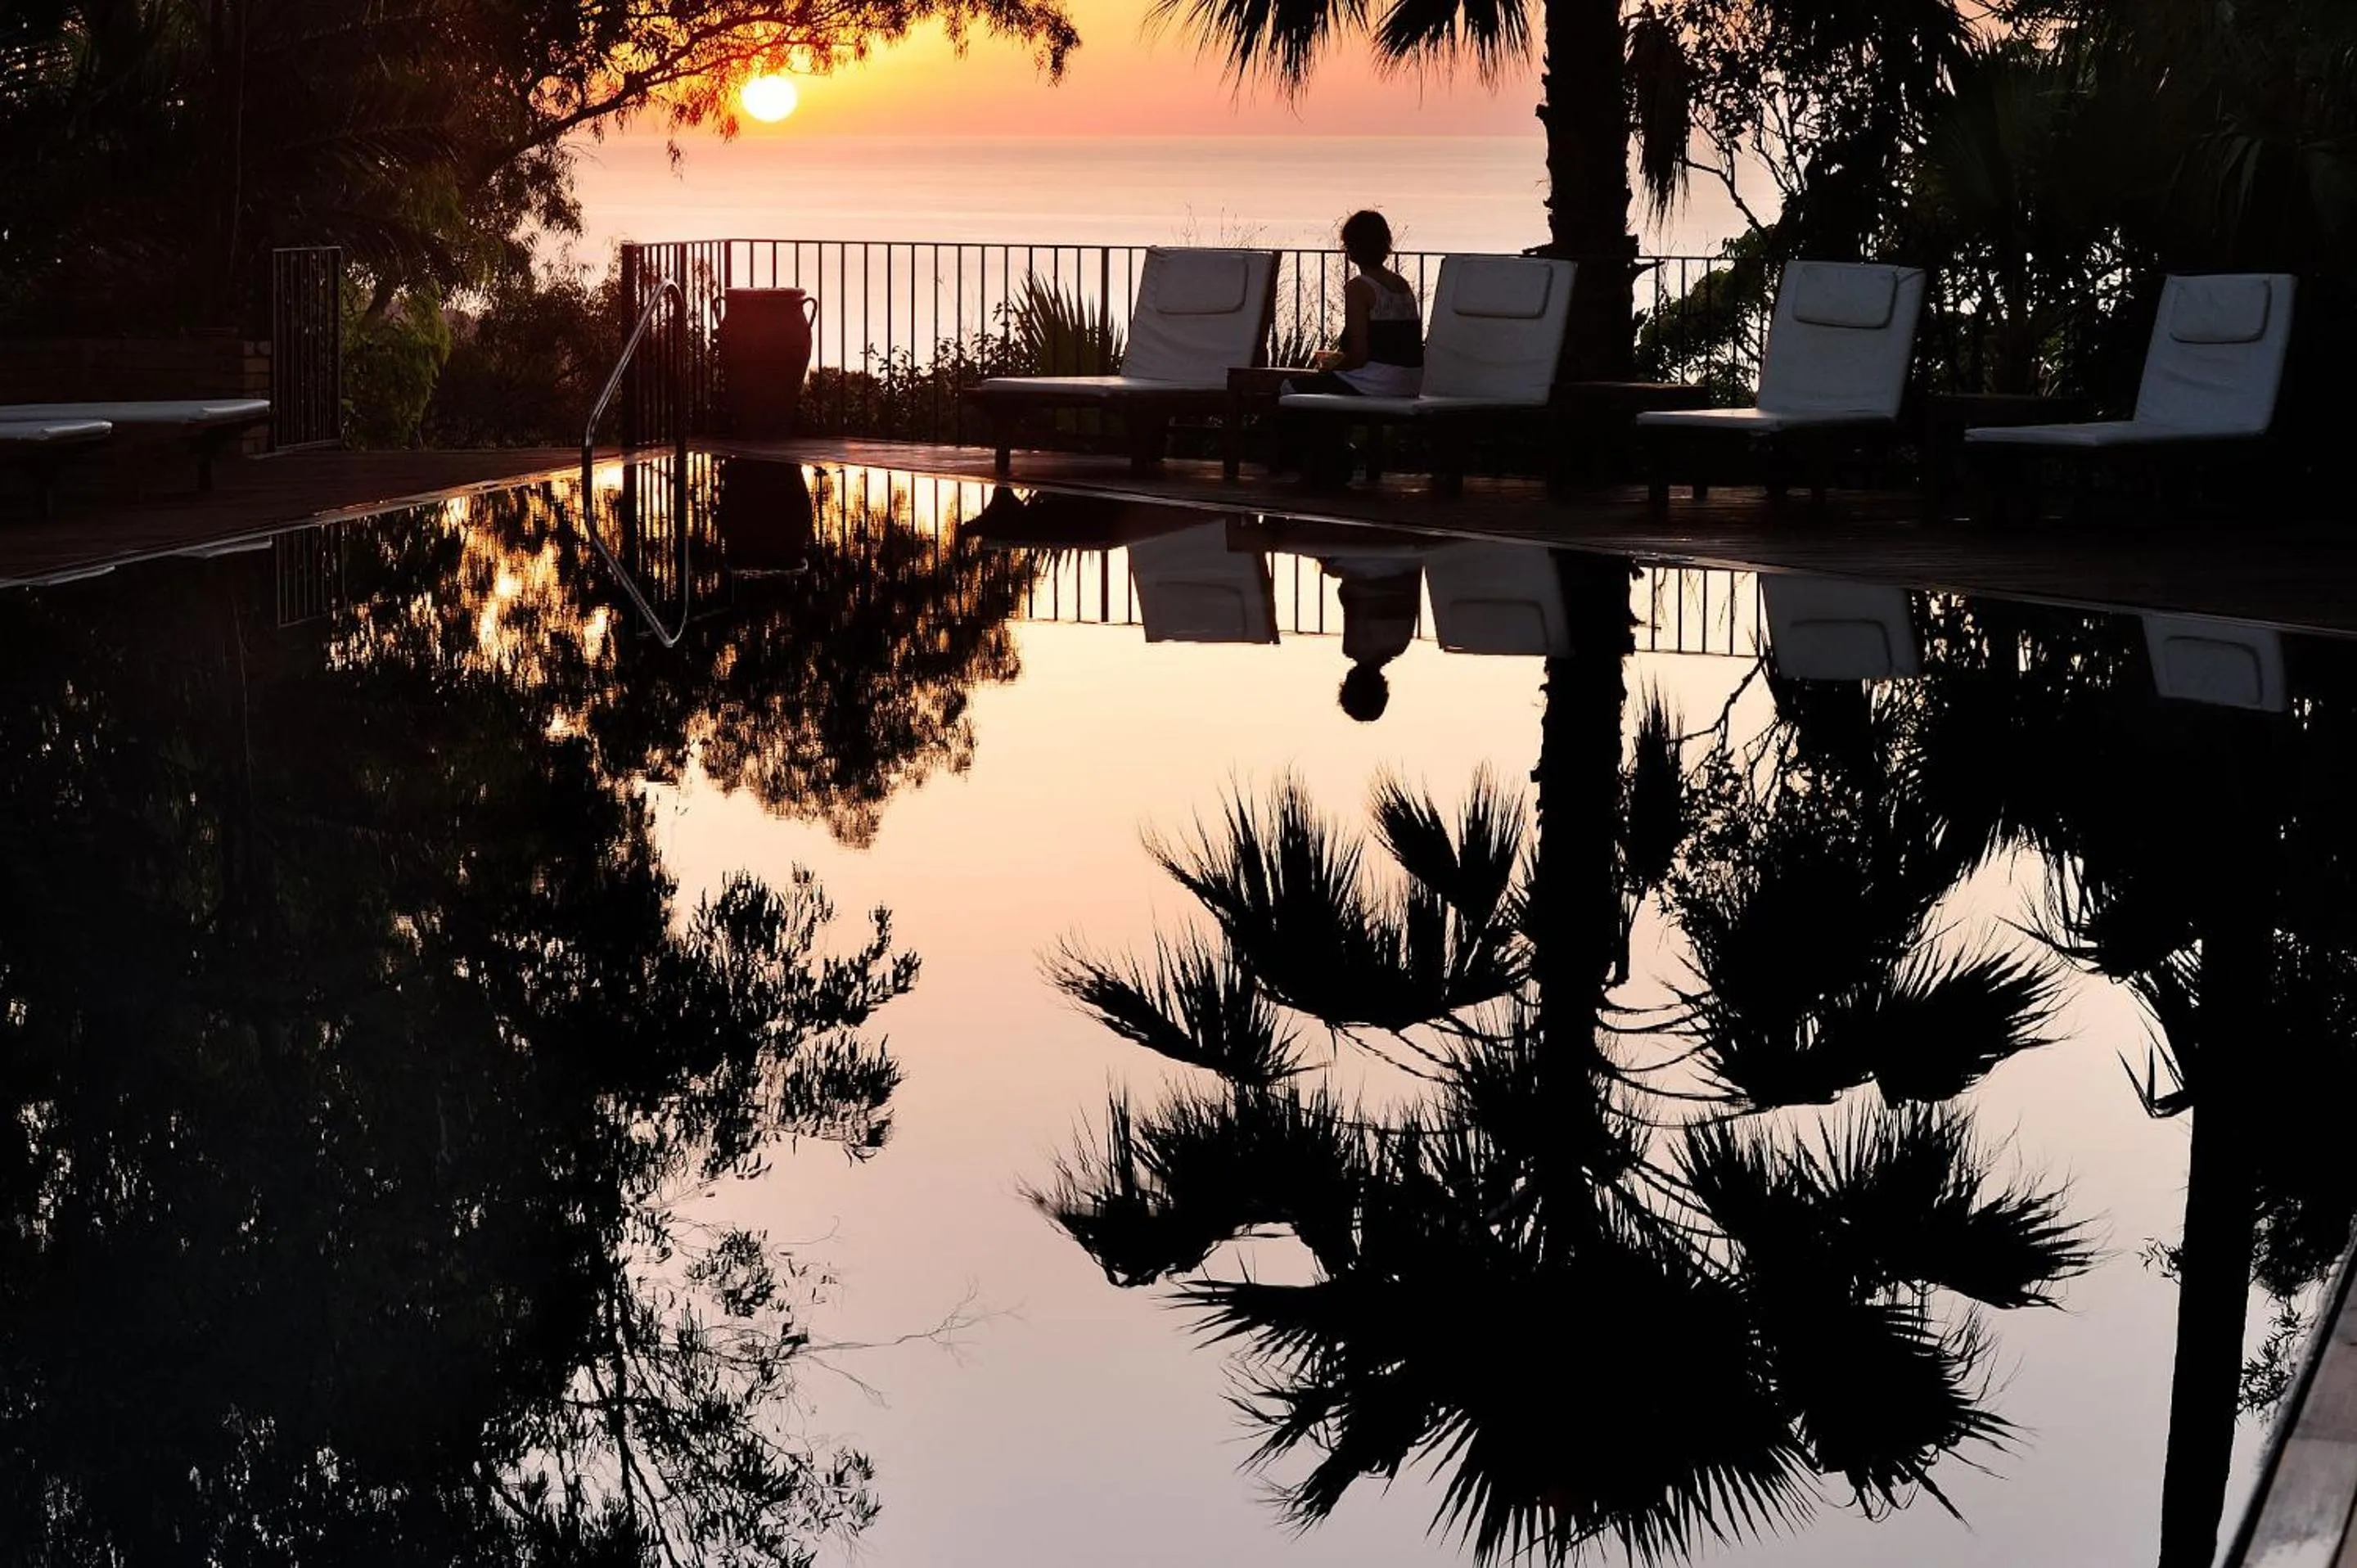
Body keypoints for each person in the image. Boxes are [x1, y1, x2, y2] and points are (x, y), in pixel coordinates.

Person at [1288, 211, 1425, 399]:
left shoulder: (1359, 287)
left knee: (1290, 387)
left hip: (1378, 383)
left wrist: (1332, 367)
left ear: (1352, 248)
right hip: (1412, 382)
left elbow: (1359, 356)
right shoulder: (1402, 284)